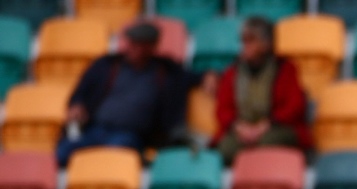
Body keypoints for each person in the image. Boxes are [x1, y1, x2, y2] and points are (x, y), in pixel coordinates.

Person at [57, 21, 212, 166]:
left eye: (137, 44)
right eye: (130, 43)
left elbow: (195, 77)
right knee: (63, 151)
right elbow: (79, 93)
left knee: (115, 156)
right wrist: (77, 105)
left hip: (131, 135)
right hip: (95, 129)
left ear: (151, 47)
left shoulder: (166, 72)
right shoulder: (106, 65)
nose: (130, 48)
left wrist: (207, 77)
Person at [214, 16, 311, 164]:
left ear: (267, 44)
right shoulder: (232, 72)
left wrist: (266, 125)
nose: (245, 46)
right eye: (243, 40)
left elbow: (295, 106)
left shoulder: (286, 69)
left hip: (275, 127)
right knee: (226, 148)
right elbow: (222, 109)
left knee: (267, 143)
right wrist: (239, 127)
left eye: (251, 40)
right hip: (242, 130)